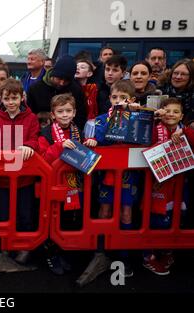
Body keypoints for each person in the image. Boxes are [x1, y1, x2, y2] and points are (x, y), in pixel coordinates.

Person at [77, 80, 141, 286]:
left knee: (126, 212)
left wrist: (136, 115)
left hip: (129, 178)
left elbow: (144, 139)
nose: (118, 102)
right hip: (106, 177)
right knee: (104, 211)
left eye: (123, 98)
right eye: (115, 98)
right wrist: (94, 140)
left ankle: (124, 256)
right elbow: (98, 137)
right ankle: (100, 251)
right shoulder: (102, 119)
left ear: (132, 100)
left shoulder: (139, 118)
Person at [38, 93, 97, 274]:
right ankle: (50, 255)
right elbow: (42, 158)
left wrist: (90, 143)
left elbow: (82, 152)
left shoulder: (78, 131)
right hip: (53, 186)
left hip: (73, 184)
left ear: (74, 113)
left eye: (68, 111)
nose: (64, 114)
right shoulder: (46, 133)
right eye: (60, 111)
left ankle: (65, 252)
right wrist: (59, 146)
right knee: (51, 221)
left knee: (70, 219)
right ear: (53, 114)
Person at [0, 78, 40, 263]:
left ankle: (24, 247)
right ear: (1, 98)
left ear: (22, 97)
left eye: (14, 98)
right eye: (7, 98)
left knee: (25, 214)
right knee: (3, 215)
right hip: (2, 180)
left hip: (24, 179)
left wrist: (28, 146)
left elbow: (35, 138)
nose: (11, 102)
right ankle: (5, 247)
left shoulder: (31, 118)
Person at [143, 98, 194, 275]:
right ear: (161, 112)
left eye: (175, 112)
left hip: (178, 185)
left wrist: (185, 133)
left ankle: (167, 251)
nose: (171, 114)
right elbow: (144, 141)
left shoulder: (185, 131)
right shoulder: (154, 129)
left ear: (181, 116)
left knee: (175, 217)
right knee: (153, 218)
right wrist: (154, 119)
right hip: (156, 183)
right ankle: (147, 255)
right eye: (167, 110)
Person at [27, 55, 87, 129]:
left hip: (69, 133)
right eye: (59, 78)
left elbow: (81, 115)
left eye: (66, 80)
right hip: (41, 132)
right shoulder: (35, 89)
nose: (62, 83)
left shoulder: (76, 89)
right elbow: (29, 114)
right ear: (53, 74)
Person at [160, 59, 194, 127]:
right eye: (175, 73)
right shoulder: (160, 91)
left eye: (183, 74)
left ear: (191, 77)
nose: (178, 77)